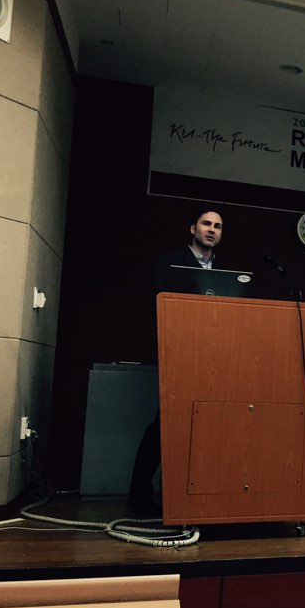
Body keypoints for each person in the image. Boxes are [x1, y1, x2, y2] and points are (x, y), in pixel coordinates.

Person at [128, 210, 224, 513]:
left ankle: (181, 496)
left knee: (201, 425)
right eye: (206, 224)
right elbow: (159, 304)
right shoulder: (169, 263)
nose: (211, 229)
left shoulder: (224, 271)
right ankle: (139, 495)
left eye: (217, 226)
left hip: (211, 357)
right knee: (165, 423)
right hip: (177, 351)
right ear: (193, 228)